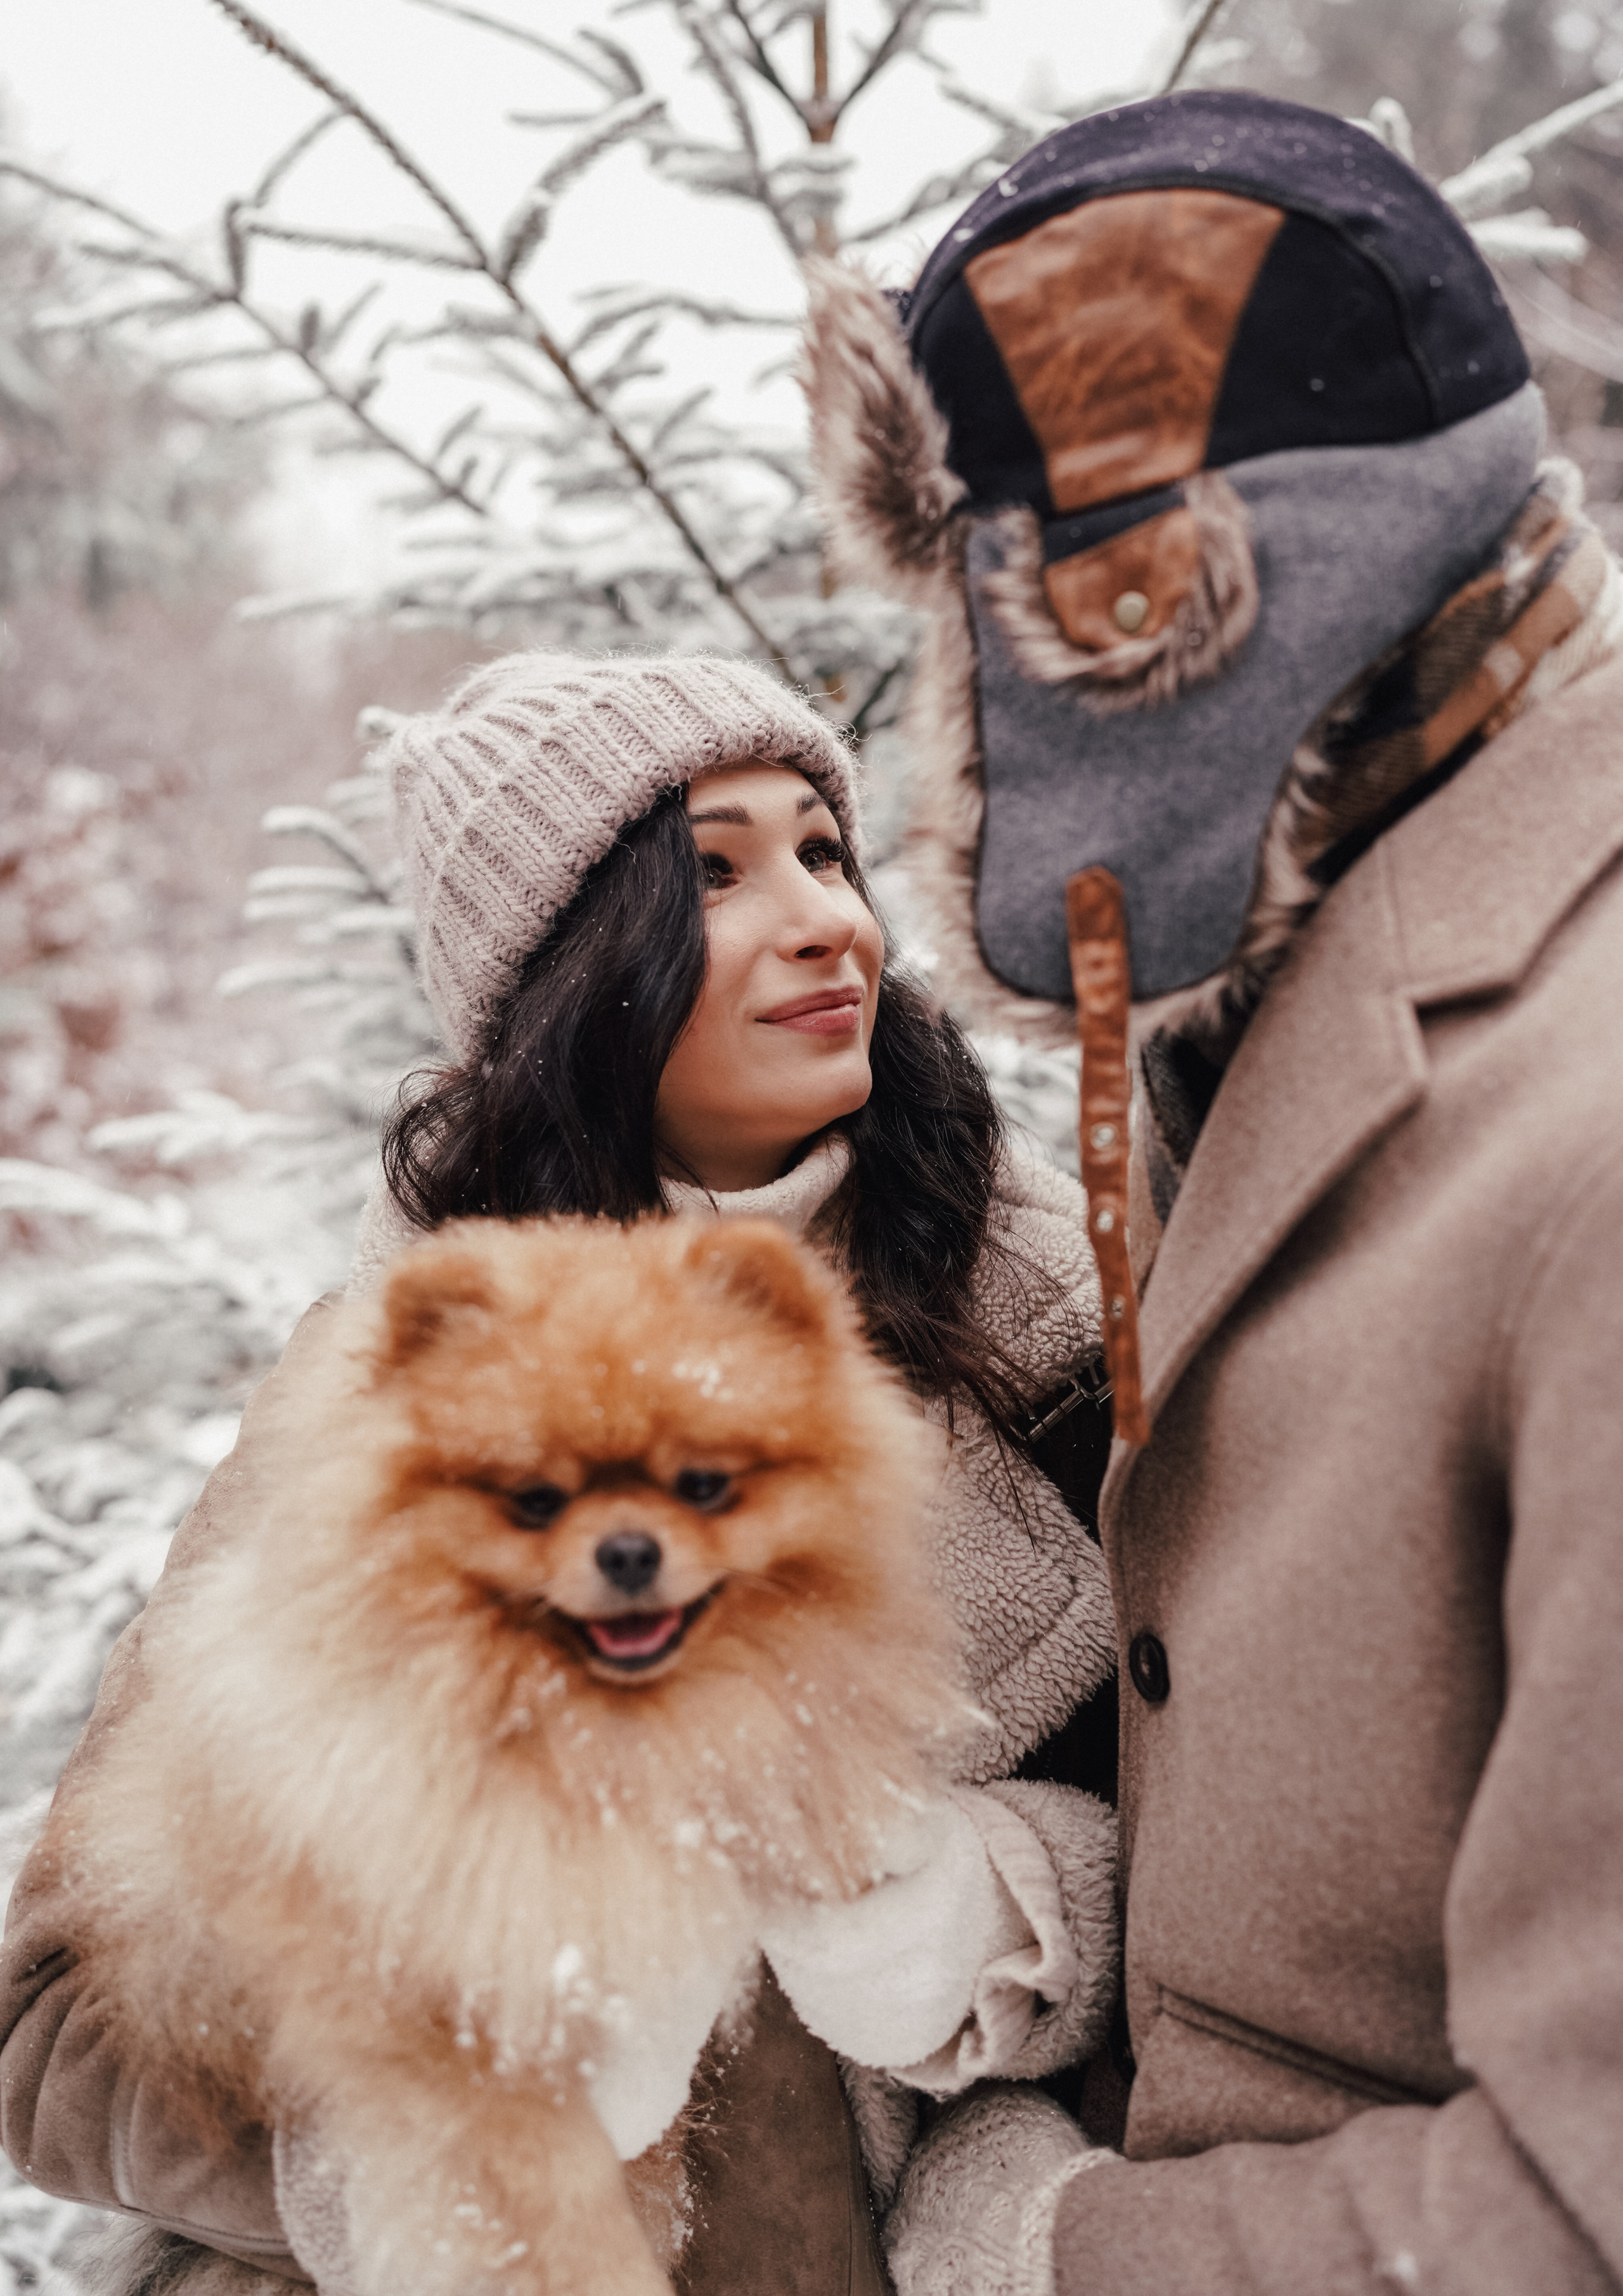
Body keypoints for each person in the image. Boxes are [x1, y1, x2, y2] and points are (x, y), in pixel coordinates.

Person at [0, 650, 1124, 2296]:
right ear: (582, 972)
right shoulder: (388, 1405)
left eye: (827, 852)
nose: (824, 918)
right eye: (719, 874)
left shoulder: (1076, 1339)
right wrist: (459, 2123)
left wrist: (1003, 1915)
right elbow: (50, 2048)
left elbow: (1280, 1897)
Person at [805, 88, 1623, 2292]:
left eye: (984, 617)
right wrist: (1033, 1930)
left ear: (1164, 617)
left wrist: (1052, 2250)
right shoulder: (1303, 988)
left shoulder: (1590, 1147)